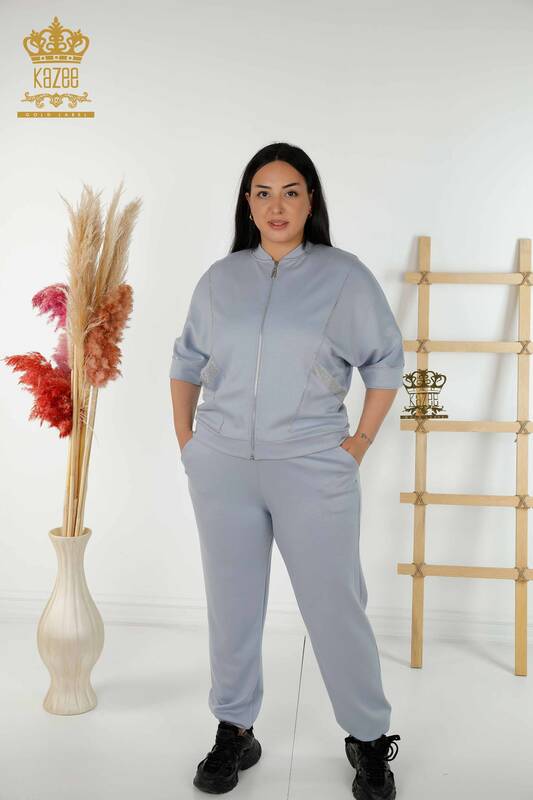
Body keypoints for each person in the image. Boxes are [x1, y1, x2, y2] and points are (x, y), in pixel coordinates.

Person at [169, 142, 404, 799]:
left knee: (335, 606)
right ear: (247, 203)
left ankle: (367, 738)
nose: (277, 206)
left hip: (311, 467)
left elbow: (385, 363)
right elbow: (186, 361)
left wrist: (357, 444)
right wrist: (189, 444)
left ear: (310, 201)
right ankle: (235, 729)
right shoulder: (220, 280)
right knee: (232, 605)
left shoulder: (343, 277)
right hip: (222, 468)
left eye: (291, 192)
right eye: (263, 192)